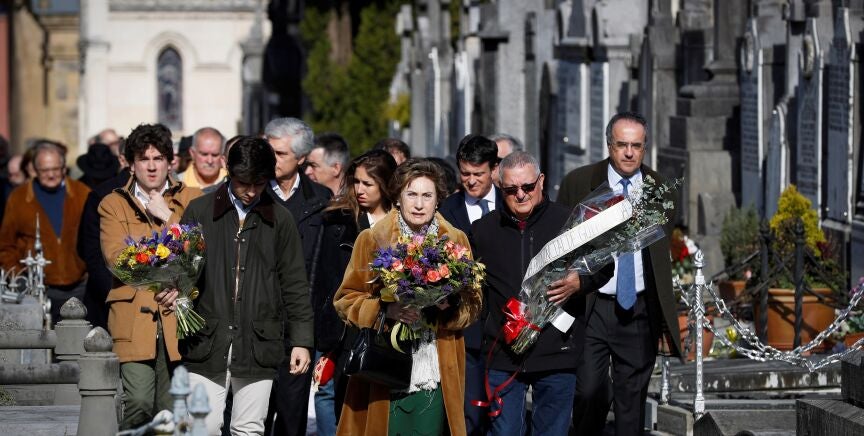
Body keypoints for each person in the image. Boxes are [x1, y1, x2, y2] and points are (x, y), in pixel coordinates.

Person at [334, 159, 482, 435]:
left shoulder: (456, 239)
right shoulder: (372, 238)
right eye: (411, 194)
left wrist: (447, 308)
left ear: (438, 200)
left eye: (427, 195)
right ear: (397, 198)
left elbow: (474, 303)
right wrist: (384, 310)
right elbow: (346, 300)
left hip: (436, 368)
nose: (419, 204)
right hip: (382, 368)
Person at [471, 151, 611, 435]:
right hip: (503, 353)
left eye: (528, 186)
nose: (521, 195)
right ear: (500, 187)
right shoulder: (483, 230)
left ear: (541, 181)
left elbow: (604, 264)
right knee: (504, 432)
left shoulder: (568, 222)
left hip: (556, 350)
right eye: (511, 189)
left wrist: (580, 282)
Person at [180, 136, 314, 435]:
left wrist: (301, 341)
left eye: (260, 183)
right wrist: (173, 292)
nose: (251, 191)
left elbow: (294, 283)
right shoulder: (199, 211)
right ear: (228, 170)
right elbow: (184, 272)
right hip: (207, 338)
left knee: (249, 428)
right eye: (243, 183)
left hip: (260, 341)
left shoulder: (281, 219)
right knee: (203, 426)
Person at [558, 112, 681, 435]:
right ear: (609, 145)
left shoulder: (660, 189)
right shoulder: (579, 183)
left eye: (636, 146)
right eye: (622, 145)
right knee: (588, 390)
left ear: (644, 147)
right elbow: (562, 241)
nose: (629, 153)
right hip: (592, 303)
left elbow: (659, 249)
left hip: (638, 307)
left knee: (632, 399)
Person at [98, 123, 201, 429]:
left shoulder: (193, 198)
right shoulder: (113, 204)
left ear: (171, 161)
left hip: (180, 316)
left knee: (172, 411)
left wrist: (167, 217)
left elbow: (202, 249)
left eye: (159, 158)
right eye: (144, 159)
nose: (152, 166)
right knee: (139, 402)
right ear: (131, 164)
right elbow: (118, 259)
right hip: (133, 318)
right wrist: (164, 280)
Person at [313, 149, 397, 435]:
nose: (360, 189)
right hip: (341, 323)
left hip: (388, 323)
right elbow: (323, 276)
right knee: (330, 391)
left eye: (368, 183)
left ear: (385, 184)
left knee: (378, 396)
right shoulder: (338, 220)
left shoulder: (402, 222)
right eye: (357, 182)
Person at [261, 117, 331, 436]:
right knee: (251, 417)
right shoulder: (252, 194)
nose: (271, 160)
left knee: (292, 418)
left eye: (280, 154)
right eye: (269, 151)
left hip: (299, 326)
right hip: (257, 322)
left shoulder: (322, 200)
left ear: (301, 158)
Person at [438, 134, 503, 436]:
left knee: (505, 413)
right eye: (465, 174)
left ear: (494, 169)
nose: (471, 181)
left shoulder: (512, 202)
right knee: (470, 412)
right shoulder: (446, 210)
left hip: (507, 321)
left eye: (479, 173)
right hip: (466, 324)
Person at [0, 141, 90, 324]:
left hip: (79, 286)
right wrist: (18, 276)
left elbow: (95, 238)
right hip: (37, 288)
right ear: (35, 170)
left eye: (55, 169)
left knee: (76, 338)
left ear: (63, 168)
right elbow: (5, 245)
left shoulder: (82, 194)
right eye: (45, 170)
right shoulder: (19, 198)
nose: (51, 175)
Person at [178, 127, 227, 192]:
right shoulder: (178, 185)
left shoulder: (233, 184)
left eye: (215, 155)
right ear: (192, 153)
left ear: (223, 155)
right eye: (204, 154)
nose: (209, 161)